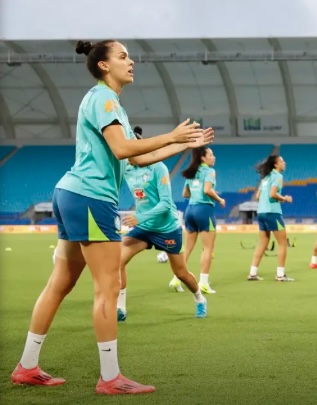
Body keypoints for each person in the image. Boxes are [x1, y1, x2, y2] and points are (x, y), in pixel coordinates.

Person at [11, 39, 208, 394]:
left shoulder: (106, 100)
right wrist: (172, 134)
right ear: (104, 66)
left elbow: (133, 159)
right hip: (90, 198)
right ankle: (110, 378)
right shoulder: (104, 98)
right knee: (109, 286)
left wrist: (182, 145)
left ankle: (27, 366)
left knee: (61, 283)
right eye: (122, 56)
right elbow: (122, 148)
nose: (131, 61)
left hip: (70, 193)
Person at [117, 126, 209, 322]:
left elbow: (167, 204)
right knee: (117, 262)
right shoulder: (125, 168)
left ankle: (199, 299)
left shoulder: (158, 168)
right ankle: (120, 308)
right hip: (144, 229)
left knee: (181, 273)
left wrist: (140, 217)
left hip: (167, 228)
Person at [173, 147, 224, 294]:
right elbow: (207, 190)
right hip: (204, 210)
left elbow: (185, 193)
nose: (213, 157)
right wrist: (219, 199)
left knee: (187, 248)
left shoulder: (191, 172)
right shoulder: (209, 171)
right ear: (203, 158)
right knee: (208, 248)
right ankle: (203, 282)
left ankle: (176, 279)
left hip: (190, 210)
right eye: (211, 154)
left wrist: (197, 194)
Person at [248, 155, 294, 282]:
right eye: (282, 161)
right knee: (283, 243)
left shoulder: (265, 178)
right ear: (275, 165)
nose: (284, 163)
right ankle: (280, 275)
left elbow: (258, 196)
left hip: (261, 212)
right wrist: (285, 199)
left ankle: (252, 273)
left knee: (263, 243)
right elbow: (273, 194)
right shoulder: (278, 176)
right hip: (272, 213)